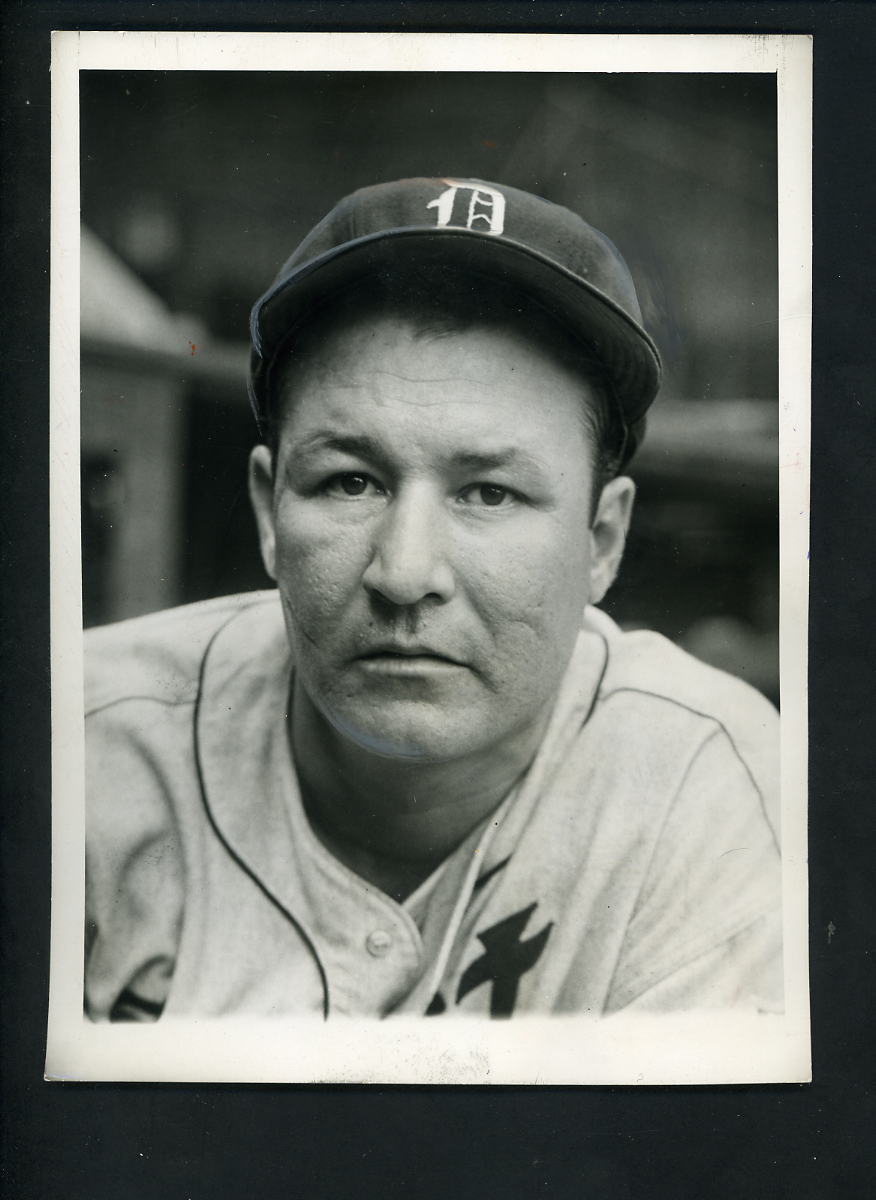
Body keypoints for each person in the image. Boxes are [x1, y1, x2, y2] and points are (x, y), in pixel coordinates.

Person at [84, 177, 782, 1021]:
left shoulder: (717, 796)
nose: (405, 574)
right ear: (271, 512)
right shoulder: (76, 753)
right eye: (350, 482)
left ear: (601, 541)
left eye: (487, 493)